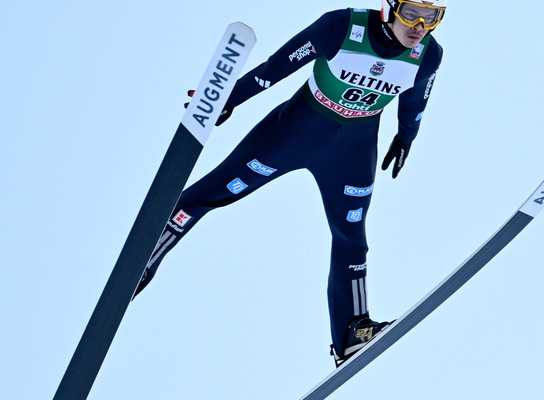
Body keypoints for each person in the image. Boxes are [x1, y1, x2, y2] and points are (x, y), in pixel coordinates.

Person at [134, 0, 446, 366]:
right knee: (211, 193)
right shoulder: (341, 27)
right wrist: (228, 98)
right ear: (389, 8)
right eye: (411, 14)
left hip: (353, 152)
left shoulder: (428, 55)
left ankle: (351, 332)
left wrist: (407, 135)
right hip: (294, 133)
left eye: (432, 18)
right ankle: (143, 261)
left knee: (351, 238)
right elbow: (274, 69)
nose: (419, 26)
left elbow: (414, 101)